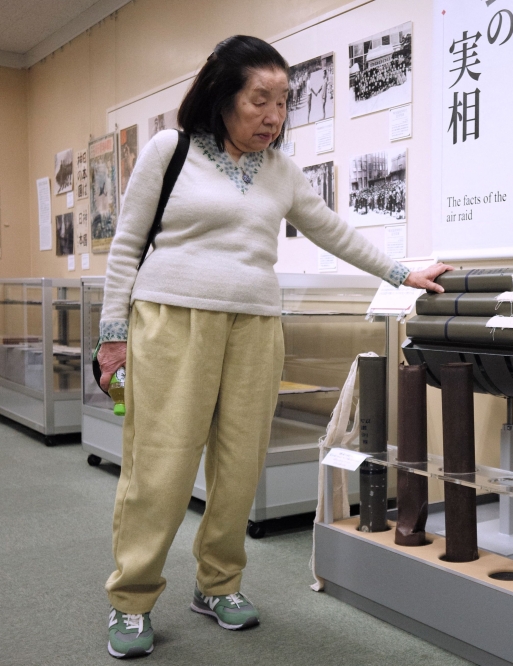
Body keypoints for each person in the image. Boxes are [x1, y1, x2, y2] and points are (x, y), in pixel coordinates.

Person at [96, 35, 451, 659]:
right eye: (260, 100)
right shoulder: (170, 151)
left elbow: (333, 230)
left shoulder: (281, 171)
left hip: (256, 327)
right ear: (223, 95)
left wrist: (402, 273)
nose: (274, 116)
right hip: (172, 321)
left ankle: (218, 584)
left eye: (284, 102)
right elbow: (126, 247)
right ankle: (131, 598)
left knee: (240, 466)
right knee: (161, 466)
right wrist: (112, 338)